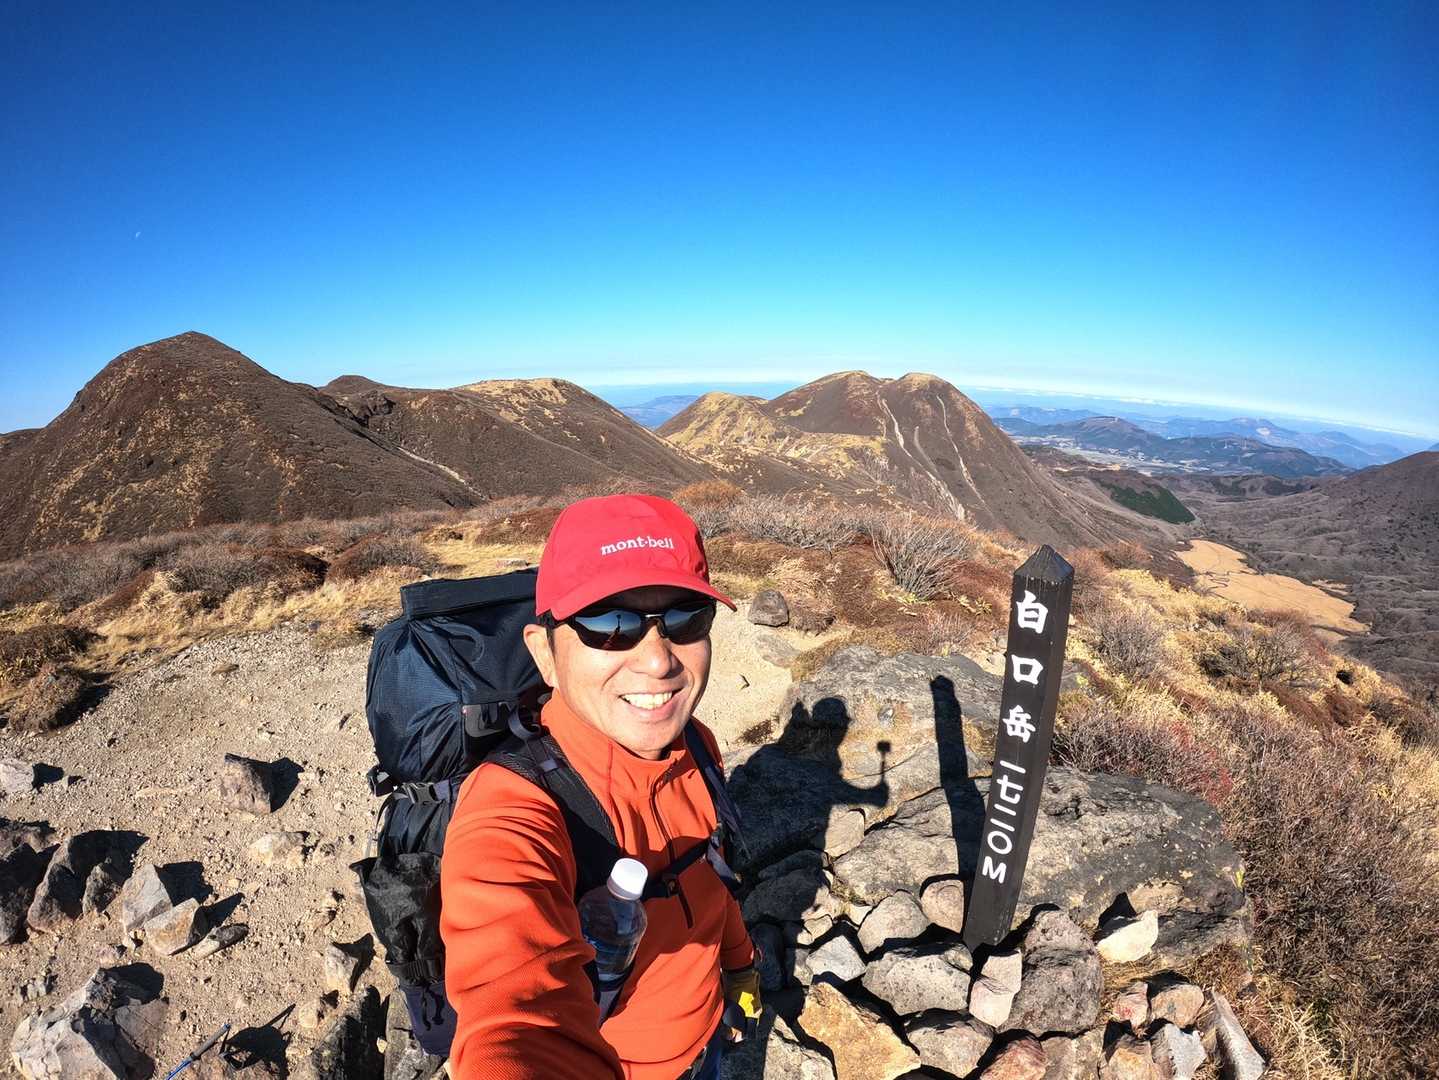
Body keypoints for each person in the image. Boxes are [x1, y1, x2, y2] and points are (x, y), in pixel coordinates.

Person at [439, 493, 762, 1079]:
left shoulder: (696, 743)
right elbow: (512, 1013)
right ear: (544, 653)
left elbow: (710, 875)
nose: (659, 661)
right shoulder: (512, 805)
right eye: (610, 624)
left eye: (686, 618)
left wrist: (740, 964)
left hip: (710, 1037)